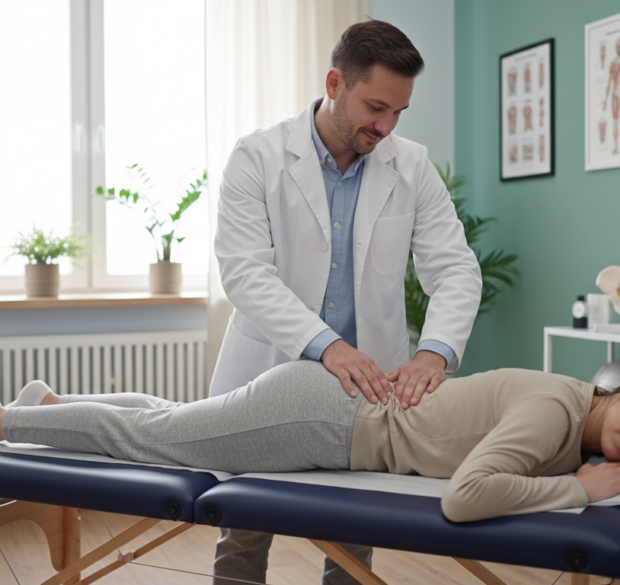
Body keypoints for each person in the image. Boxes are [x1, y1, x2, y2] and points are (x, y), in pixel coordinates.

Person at [210, 18, 481, 584]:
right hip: (269, 372)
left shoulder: (412, 167)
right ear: (335, 83)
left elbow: (454, 268)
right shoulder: (257, 157)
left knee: (357, 538)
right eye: (375, 107)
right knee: (243, 531)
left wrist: (434, 353)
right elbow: (244, 274)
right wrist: (328, 347)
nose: (386, 126)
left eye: (399, 113)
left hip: (368, 389)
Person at [0, 360, 620, 524]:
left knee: (172, 420)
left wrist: (583, 472)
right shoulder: (557, 411)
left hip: (330, 416)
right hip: (324, 420)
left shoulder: (573, 412)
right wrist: (575, 490)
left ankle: (50, 403)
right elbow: (465, 496)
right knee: (158, 438)